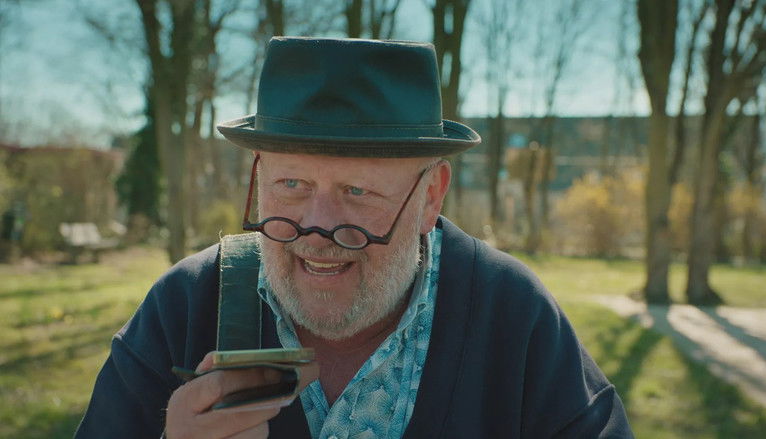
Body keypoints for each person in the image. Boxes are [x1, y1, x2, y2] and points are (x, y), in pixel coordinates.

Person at [75, 37, 633, 438]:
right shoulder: (183, 307)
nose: (317, 230)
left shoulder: (513, 314)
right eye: (291, 185)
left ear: (431, 196)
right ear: (259, 177)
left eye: (358, 191)